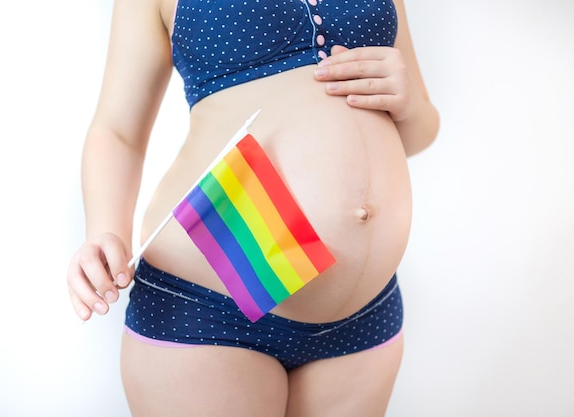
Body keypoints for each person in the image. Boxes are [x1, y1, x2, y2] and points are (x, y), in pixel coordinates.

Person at [66, 0, 439, 415]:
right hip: (211, 306)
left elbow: (419, 130)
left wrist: (409, 104)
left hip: (364, 317)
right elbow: (118, 131)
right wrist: (103, 230)